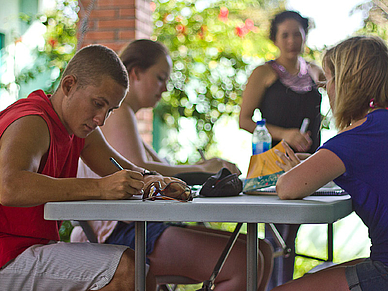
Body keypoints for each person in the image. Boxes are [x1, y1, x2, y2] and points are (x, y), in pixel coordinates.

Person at [72, 39, 273, 291]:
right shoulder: (116, 112)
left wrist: (202, 166)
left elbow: (152, 171)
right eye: (160, 78)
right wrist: (202, 169)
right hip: (121, 234)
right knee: (246, 261)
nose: (164, 88)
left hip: (142, 225)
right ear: (136, 73)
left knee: (261, 249)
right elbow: (138, 168)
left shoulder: (127, 119)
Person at [0, 44, 187, 290]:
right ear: (69, 86)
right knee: (129, 272)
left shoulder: (79, 129)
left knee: (141, 273)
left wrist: (157, 182)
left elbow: (119, 168)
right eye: (98, 103)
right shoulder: (32, 120)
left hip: (28, 249)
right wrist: (99, 187)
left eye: (110, 110)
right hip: (8, 254)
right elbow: (9, 187)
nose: (101, 119)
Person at [272, 35, 388, 291]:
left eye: (329, 79)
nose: (325, 88)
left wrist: (298, 171)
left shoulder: (356, 136)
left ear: (348, 82)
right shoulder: (379, 124)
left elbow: (287, 188)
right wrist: (315, 163)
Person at [239, 10, 325, 287]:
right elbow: (244, 120)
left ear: (305, 35)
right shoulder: (263, 73)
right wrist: (285, 134)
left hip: (310, 163)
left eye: (297, 34)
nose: (291, 41)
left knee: (292, 236)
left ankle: (284, 284)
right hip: (273, 165)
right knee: (274, 236)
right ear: (275, 38)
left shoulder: (315, 71)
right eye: (285, 35)